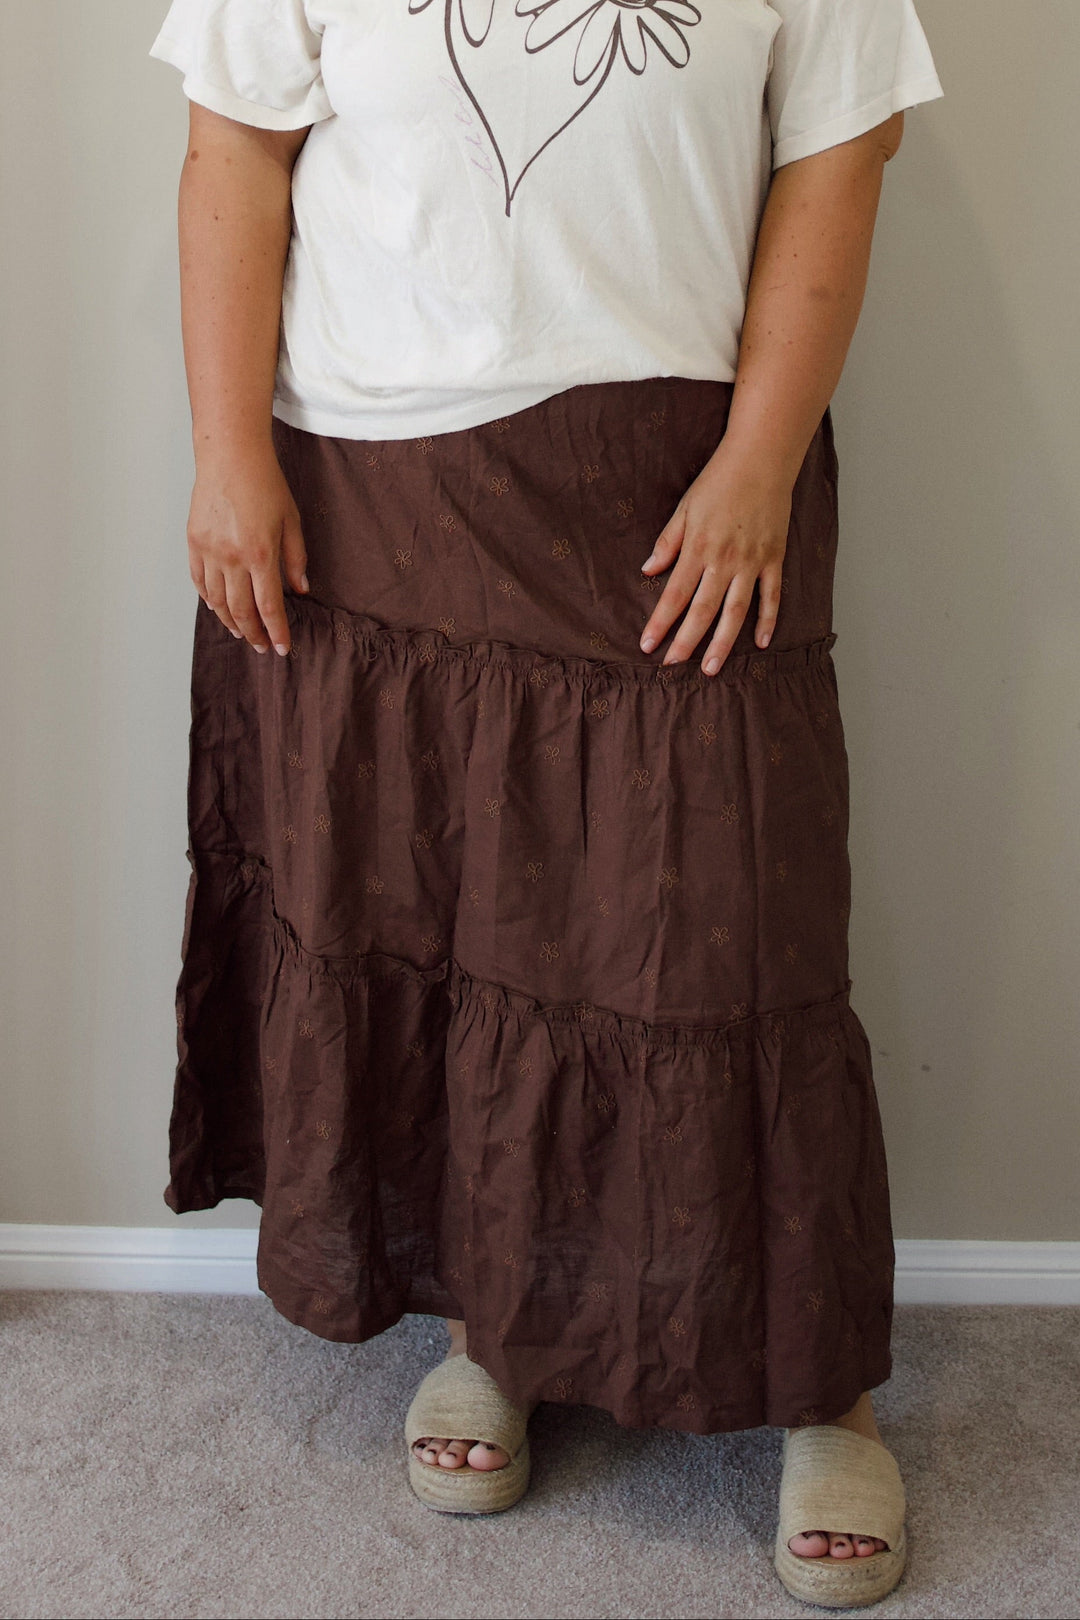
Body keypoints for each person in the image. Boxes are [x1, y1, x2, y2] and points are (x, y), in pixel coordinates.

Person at [150, 0, 944, 1606]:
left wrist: (762, 460)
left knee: (732, 948)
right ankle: (495, 1328)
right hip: (375, 494)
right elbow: (232, 150)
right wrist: (226, 454)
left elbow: (842, 153)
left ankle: (822, 1390)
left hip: (679, 490)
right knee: (455, 934)